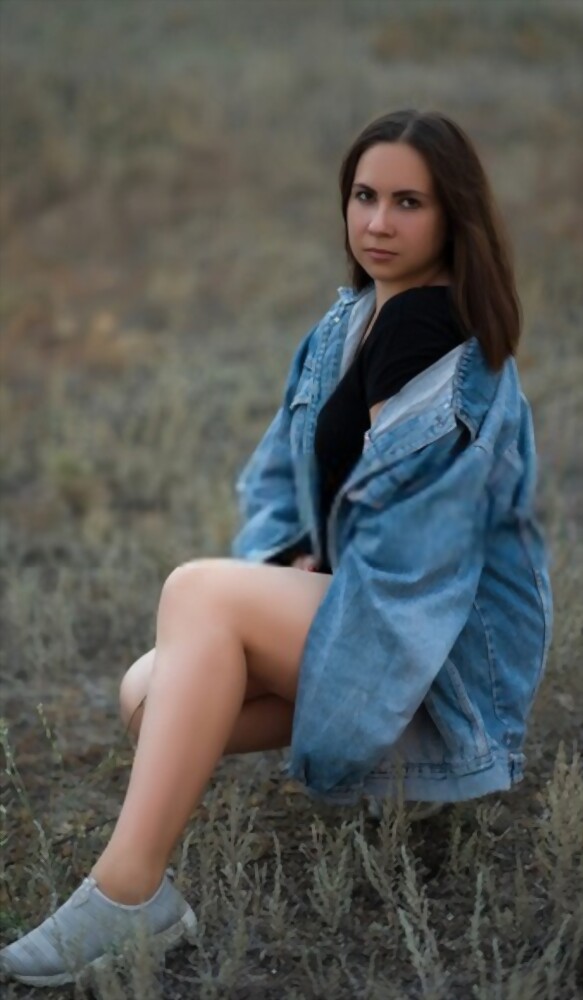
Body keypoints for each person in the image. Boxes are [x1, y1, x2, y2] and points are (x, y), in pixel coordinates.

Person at [0, 109, 553, 987]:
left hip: (436, 662)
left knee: (198, 594)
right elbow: (293, 484)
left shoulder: (435, 334)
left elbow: (419, 560)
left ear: (454, 216)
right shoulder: (356, 321)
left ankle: (129, 893)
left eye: (407, 202)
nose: (377, 222)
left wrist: (298, 583)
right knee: (148, 696)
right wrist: (300, 553)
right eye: (364, 196)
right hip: (374, 613)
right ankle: (342, 771)